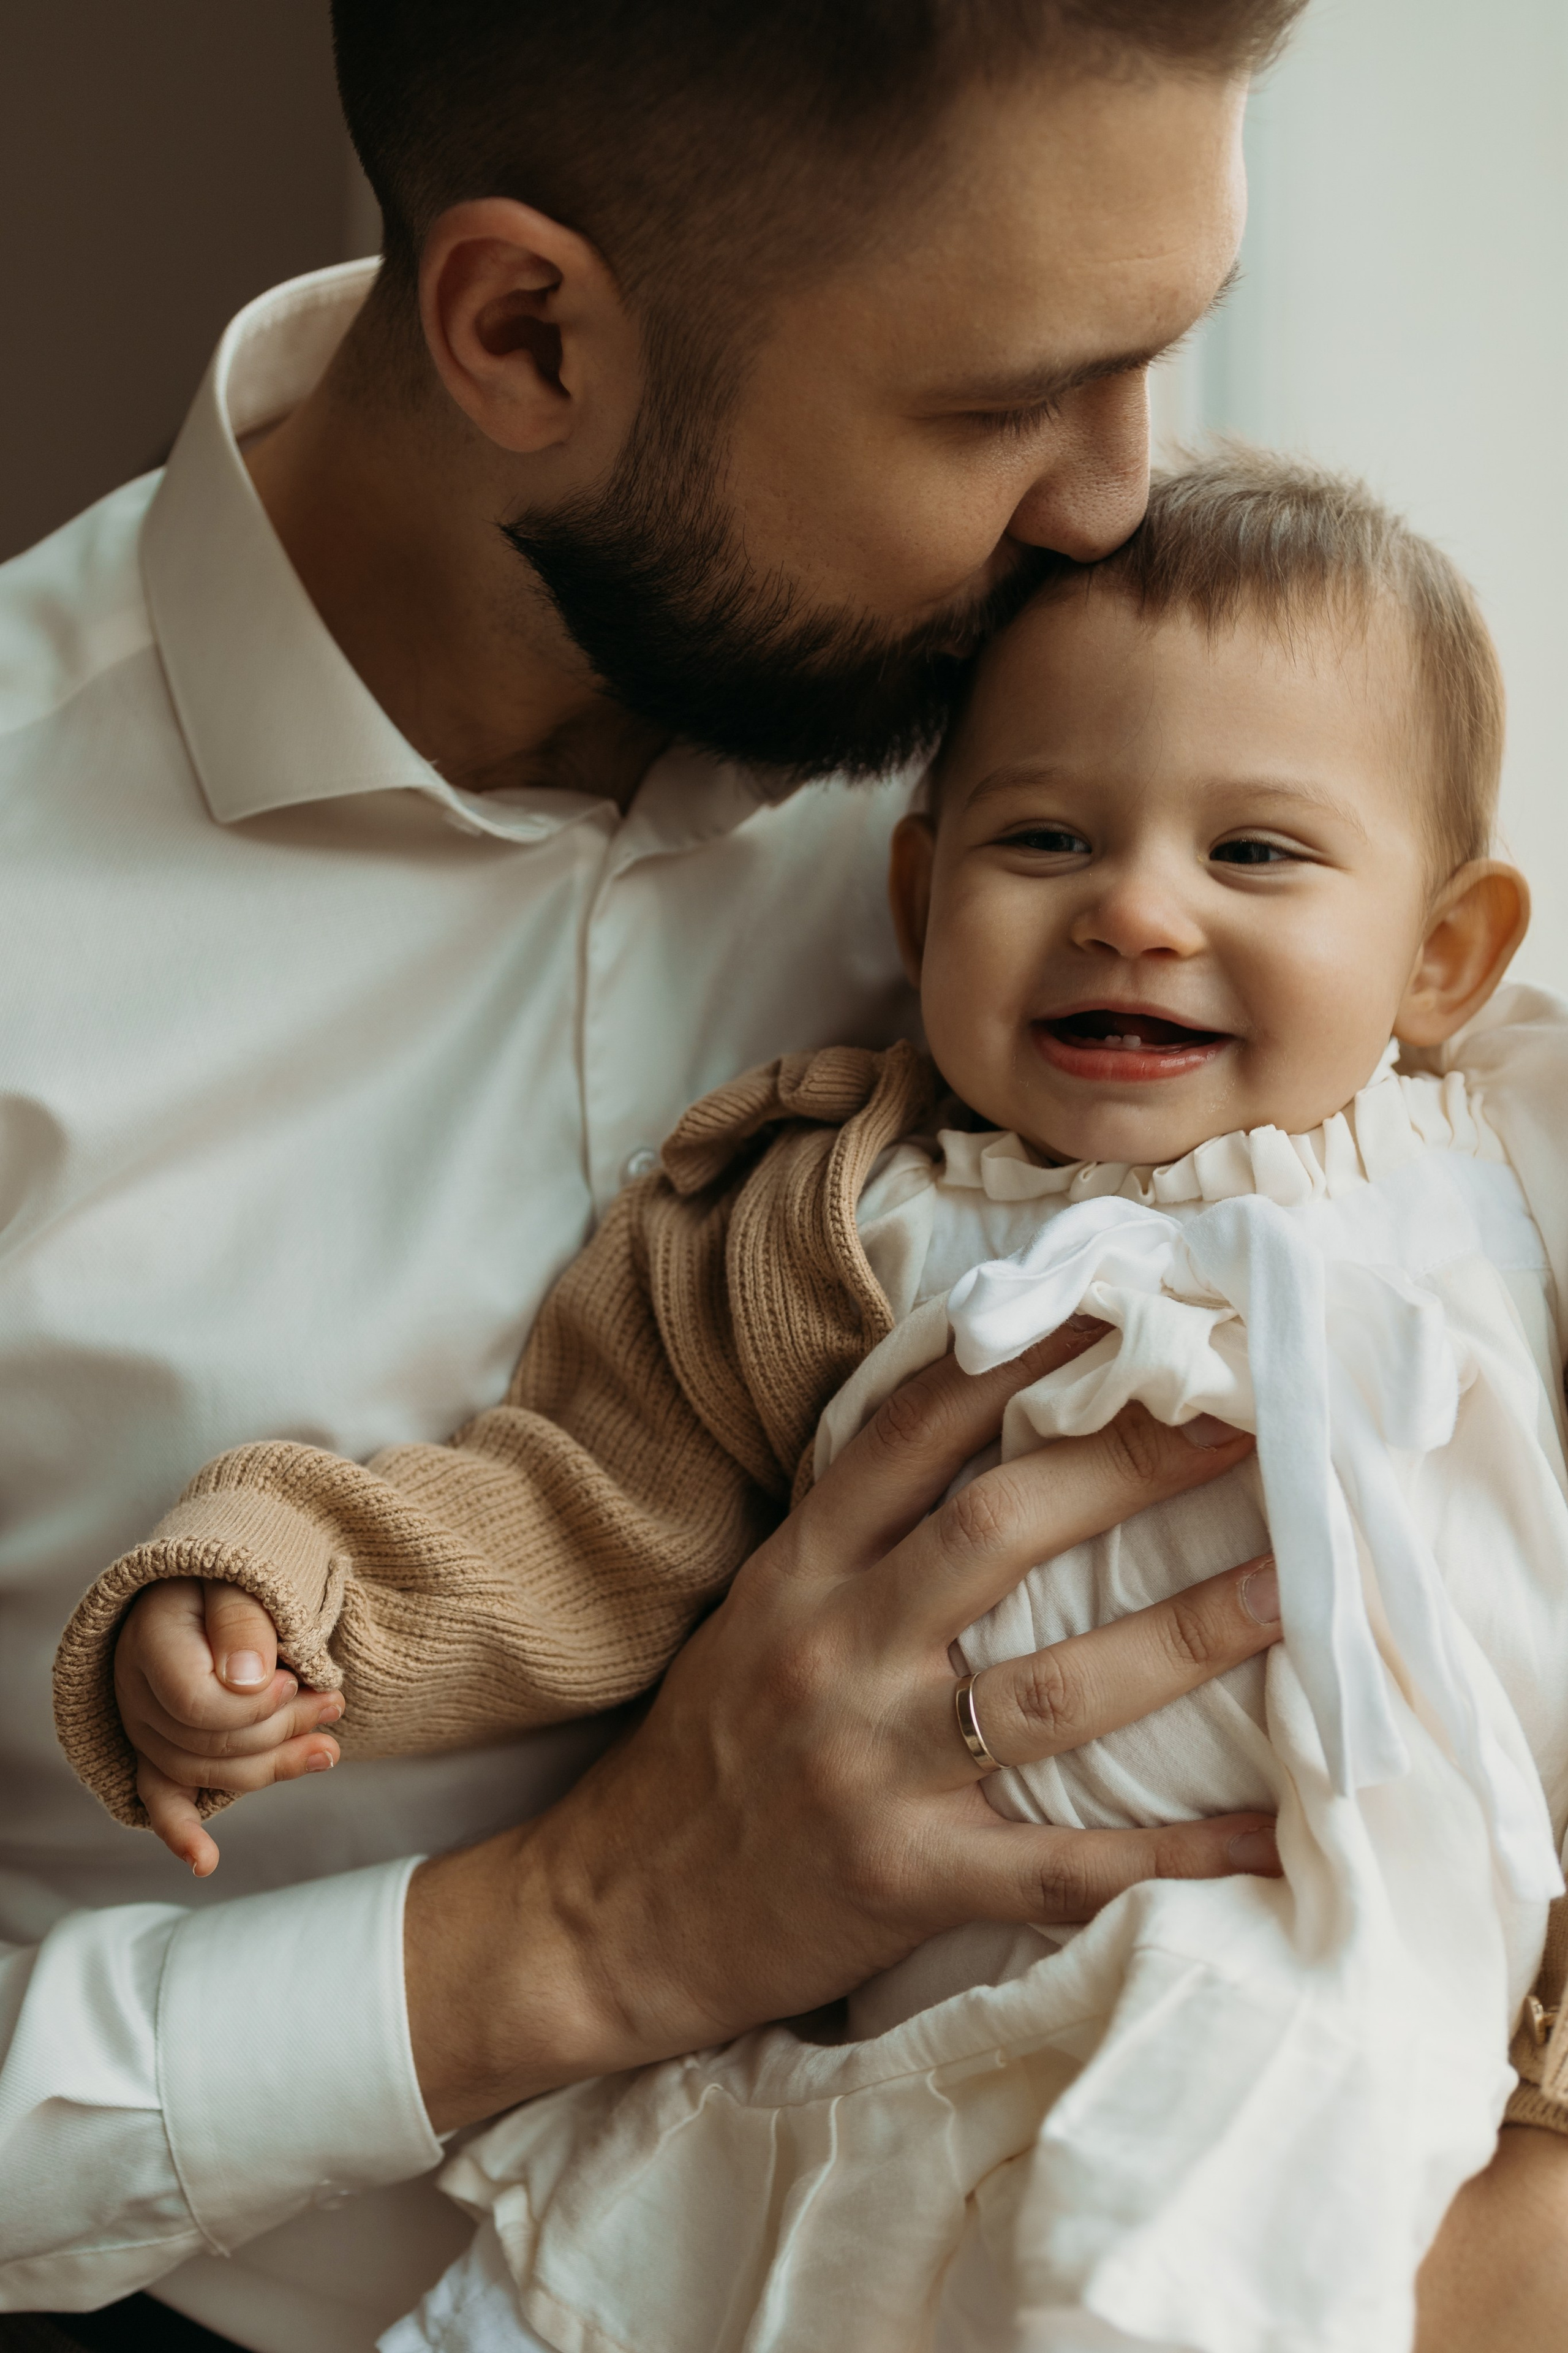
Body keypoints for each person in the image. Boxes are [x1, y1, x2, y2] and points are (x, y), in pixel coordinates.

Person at [0, 4, 1562, 2350]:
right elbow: (579, 1505)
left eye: (1161, 352)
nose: (1119, 496)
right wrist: (576, 1935)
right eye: (1007, 400)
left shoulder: (1107, 687)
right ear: (530, 335)